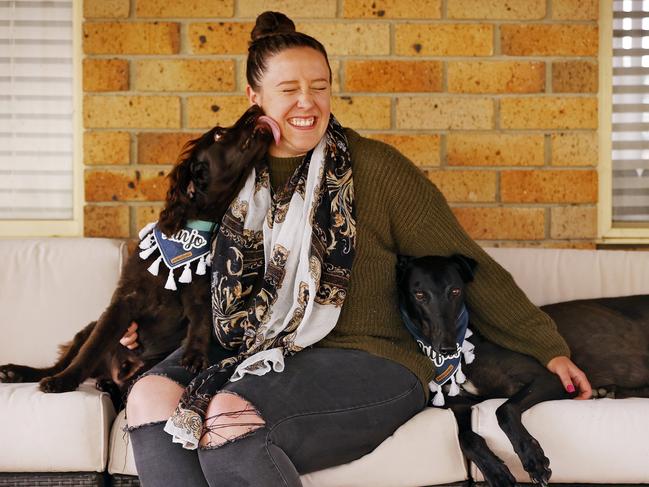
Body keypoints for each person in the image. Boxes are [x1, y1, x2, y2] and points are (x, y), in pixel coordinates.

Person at [124, 11, 592, 487]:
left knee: (228, 417)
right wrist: (139, 323)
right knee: (149, 397)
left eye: (320, 86)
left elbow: (467, 266)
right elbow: (183, 260)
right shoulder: (226, 175)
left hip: (372, 356)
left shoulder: (377, 169)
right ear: (254, 97)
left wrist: (548, 348)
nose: (307, 102)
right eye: (288, 90)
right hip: (250, 347)